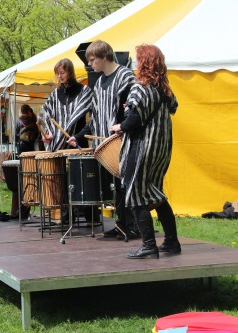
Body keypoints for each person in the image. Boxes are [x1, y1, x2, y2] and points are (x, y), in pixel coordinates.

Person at [109, 44, 180, 259]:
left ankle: (149, 245)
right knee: (155, 193)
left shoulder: (140, 88)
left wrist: (118, 126)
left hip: (142, 149)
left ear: (145, 63)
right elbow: (173, 107)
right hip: (161, 150)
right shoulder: (165, 90)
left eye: (138, 60)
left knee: (136, 192)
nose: (135, 63)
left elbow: (134, 121)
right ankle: (171, 241)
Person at [67, 40, 137, 239]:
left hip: (123, 141)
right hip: (106, 144)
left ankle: (130, 226)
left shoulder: (125, 77)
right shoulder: (98, 82)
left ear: (104, 56)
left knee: (125, 185)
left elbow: (132, 110)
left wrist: (122, 129)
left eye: (92, 59)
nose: (90, 64)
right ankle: (122, 224)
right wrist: (79, 136)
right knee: (116, 187)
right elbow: (95, 117)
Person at [42, 59, 92, 152]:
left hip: (78, 142)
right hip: (58, 146)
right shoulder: (55, 94)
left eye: (62, 73)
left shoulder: (84, 90)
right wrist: (48, 134)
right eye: (58, 73)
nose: (59, 76)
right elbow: (48, 118)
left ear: (70, 72)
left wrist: (79, 136)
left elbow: (94, 118)